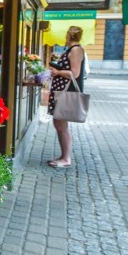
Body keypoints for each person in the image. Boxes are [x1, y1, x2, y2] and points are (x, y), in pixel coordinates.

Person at [47, 26, 85, 168]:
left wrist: (57, 71)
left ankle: (66, 158)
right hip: (61, 91)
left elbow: (74, 74)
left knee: (61, 124)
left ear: (68, 36)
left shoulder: (76, 50)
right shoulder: (71, 50)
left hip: (65, 91)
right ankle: (64, 156)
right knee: (59, 124)